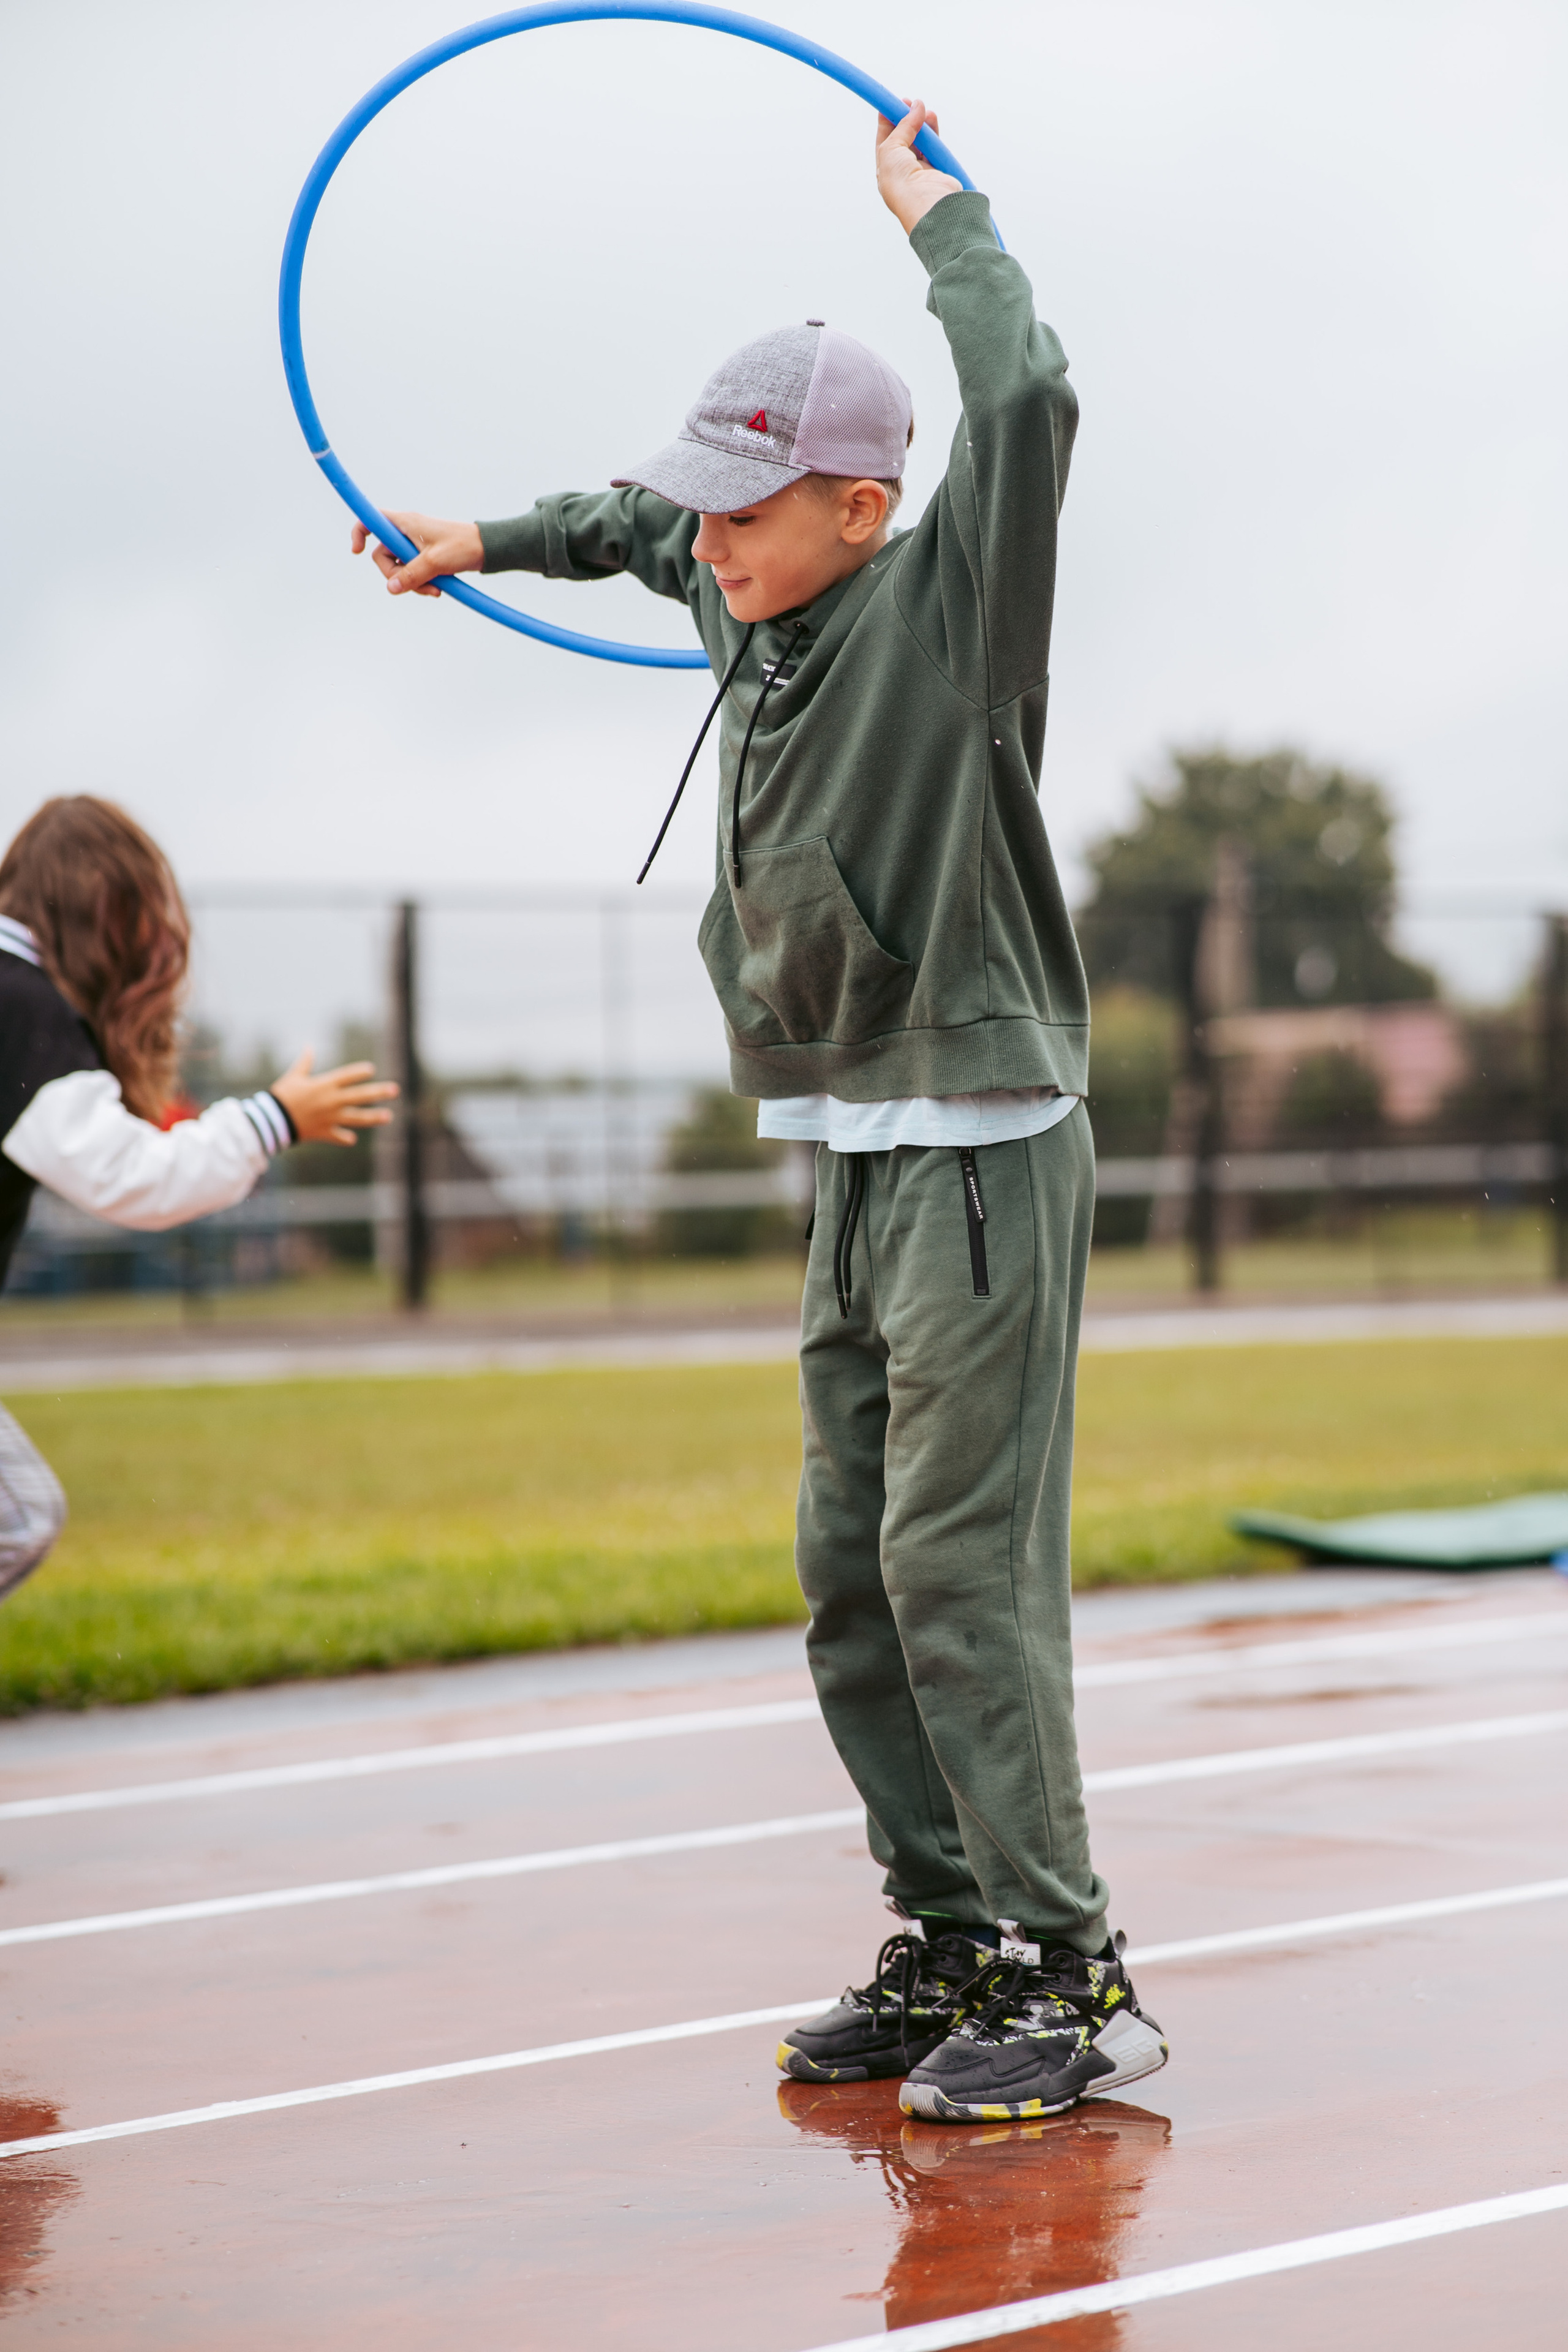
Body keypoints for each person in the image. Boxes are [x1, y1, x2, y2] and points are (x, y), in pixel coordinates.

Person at [352, 103, 1167, 2124]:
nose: (708, 542)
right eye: (708, 512)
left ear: (864, 509)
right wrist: (488, 541)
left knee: (958, 1568)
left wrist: (946, 219)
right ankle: (950, 1931)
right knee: (850, 1575)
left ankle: (1067, 1967)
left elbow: (1028, 396)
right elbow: (632, 530)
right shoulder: (748, 603)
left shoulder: (951, 606)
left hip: (982, 1149)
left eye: (748, 509)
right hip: (856, 1159)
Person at [0, 795, 397, 1598]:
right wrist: (272, 1119)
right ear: (105, 914)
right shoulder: (20, 1009)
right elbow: (132, 1177)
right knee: (21, 1517)